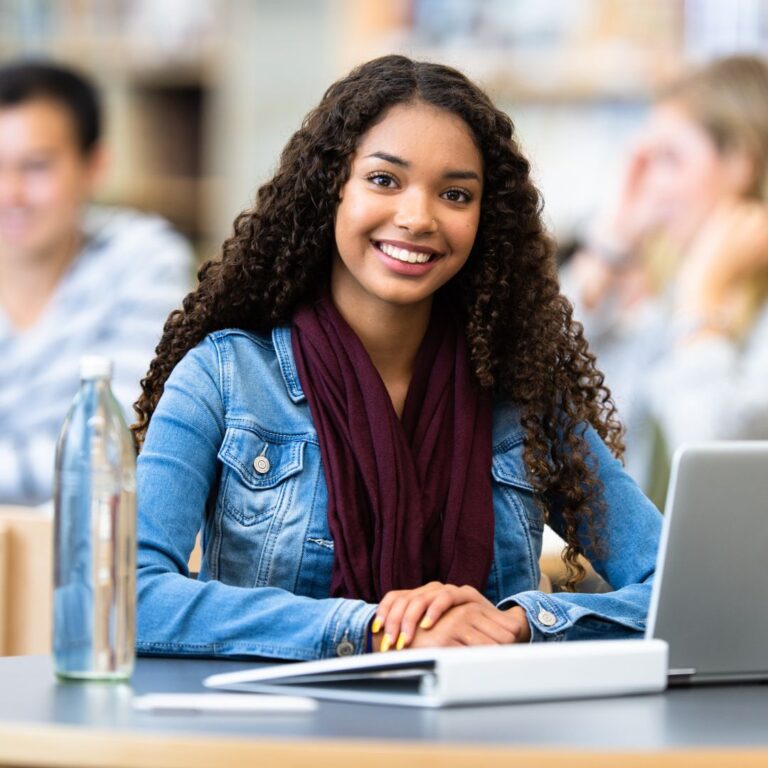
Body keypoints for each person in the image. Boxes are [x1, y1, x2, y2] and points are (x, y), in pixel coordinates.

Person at [133, 55, 661, 660]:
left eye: (455, 194)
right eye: (384, 180)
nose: (417, 218)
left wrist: (519, 624)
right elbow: (132, 597)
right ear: (330, 188)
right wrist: (369, 629)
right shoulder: (223, 378)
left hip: (479, 739)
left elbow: (675, 584)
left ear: (485, 218)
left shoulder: (523, 393)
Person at [564, 56, 768, 498]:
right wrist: (609, 243)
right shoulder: (670, 299)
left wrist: (702, 299)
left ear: (740, 164)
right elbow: (551, 395)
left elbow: (724, 483)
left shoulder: (706, 300)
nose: (652, 185)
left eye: (670, 160)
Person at [0, 60, 194, 505]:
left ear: (94, 165)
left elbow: (112, 443)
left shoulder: (141, 260)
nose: (10, 193)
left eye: (35, 166)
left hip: (83, 551)